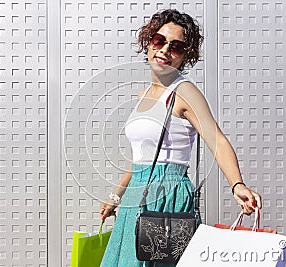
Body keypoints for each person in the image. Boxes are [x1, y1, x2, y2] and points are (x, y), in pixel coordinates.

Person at [99, 9, 262, 267]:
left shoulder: (184, 92)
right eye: (158, 40)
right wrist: (115, 197)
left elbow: (216, 139)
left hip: (167, 194)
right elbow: (141, 156)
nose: (164, 50)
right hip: (135, 196)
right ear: (148, 42)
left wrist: (237, 185)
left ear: (186, 54)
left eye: (176, 46)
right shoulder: (145, 93)